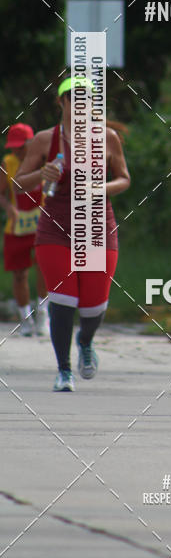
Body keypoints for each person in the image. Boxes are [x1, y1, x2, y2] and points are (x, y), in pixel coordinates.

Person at [16, 77, 130, 391]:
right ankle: (64, 370)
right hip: (55, 229)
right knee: (63, 299)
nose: (80, 104)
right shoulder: (45, 140)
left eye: (86, 98)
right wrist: (41, 173)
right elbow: (18, 184)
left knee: (94, 306)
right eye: (73, 98)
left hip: (97, 229)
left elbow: (124, 178)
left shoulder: (108, 138)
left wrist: (101, 188)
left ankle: (86, 340)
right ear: (61, 102)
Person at [0, 123, 48, 336]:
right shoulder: (8, 163)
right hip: (17, 227)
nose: (17, 151)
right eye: (14, 148)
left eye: (21, 147)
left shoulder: (44, 161)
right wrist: (8, 207)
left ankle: (43, 315)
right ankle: (25, 319)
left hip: (43, 224)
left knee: (44, 268)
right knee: (19, 273)